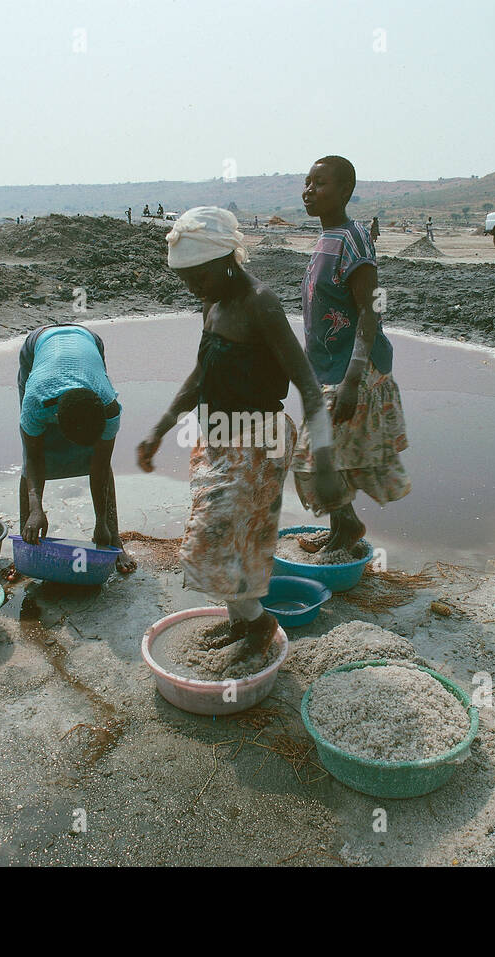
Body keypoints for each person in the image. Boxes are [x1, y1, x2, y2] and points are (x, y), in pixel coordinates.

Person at [138, 207, 344, 648]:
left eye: (200, 276)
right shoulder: (212, 302)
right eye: (186, 279)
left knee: (209, 543)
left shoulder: (260, 303)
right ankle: (241, 620)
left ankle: (257, 622)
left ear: (227, 259)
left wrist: (322, 460)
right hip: (215, 439)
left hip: (259, 441)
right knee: (235, 540)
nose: (193, 287)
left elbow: (308, 385)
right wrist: (160, 428)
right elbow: (201, 373)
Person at [294, 155, 411, 554]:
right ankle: (344, 528)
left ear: (345, 191)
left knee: (315, 457)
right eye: (307, 182)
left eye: (320, 183)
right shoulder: (327, 238)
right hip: (328, 367)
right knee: (330, 458)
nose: (309, 190)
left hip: (354, 369)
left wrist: (353, 379)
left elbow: (370, 309)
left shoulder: (352, 238)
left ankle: (347, 527)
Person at [19, 323, 136, 574]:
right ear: (57, 419)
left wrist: (101, 522)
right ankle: (27, 538)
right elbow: (34, 456)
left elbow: (100, 466)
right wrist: (37, 507)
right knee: (30, 453)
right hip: (38, 345)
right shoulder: (37, 402)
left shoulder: (109, 407)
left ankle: (113, 538)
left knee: (101, 462)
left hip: (89, 341)